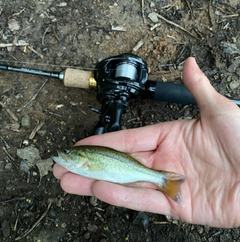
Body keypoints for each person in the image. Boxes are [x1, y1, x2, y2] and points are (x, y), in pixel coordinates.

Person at [53, 57, 240, 228]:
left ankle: (162, 179)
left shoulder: (85, 162)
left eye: (68, 153)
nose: (63, 154)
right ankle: (162, 179)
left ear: (82, 156)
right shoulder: (82, 164)